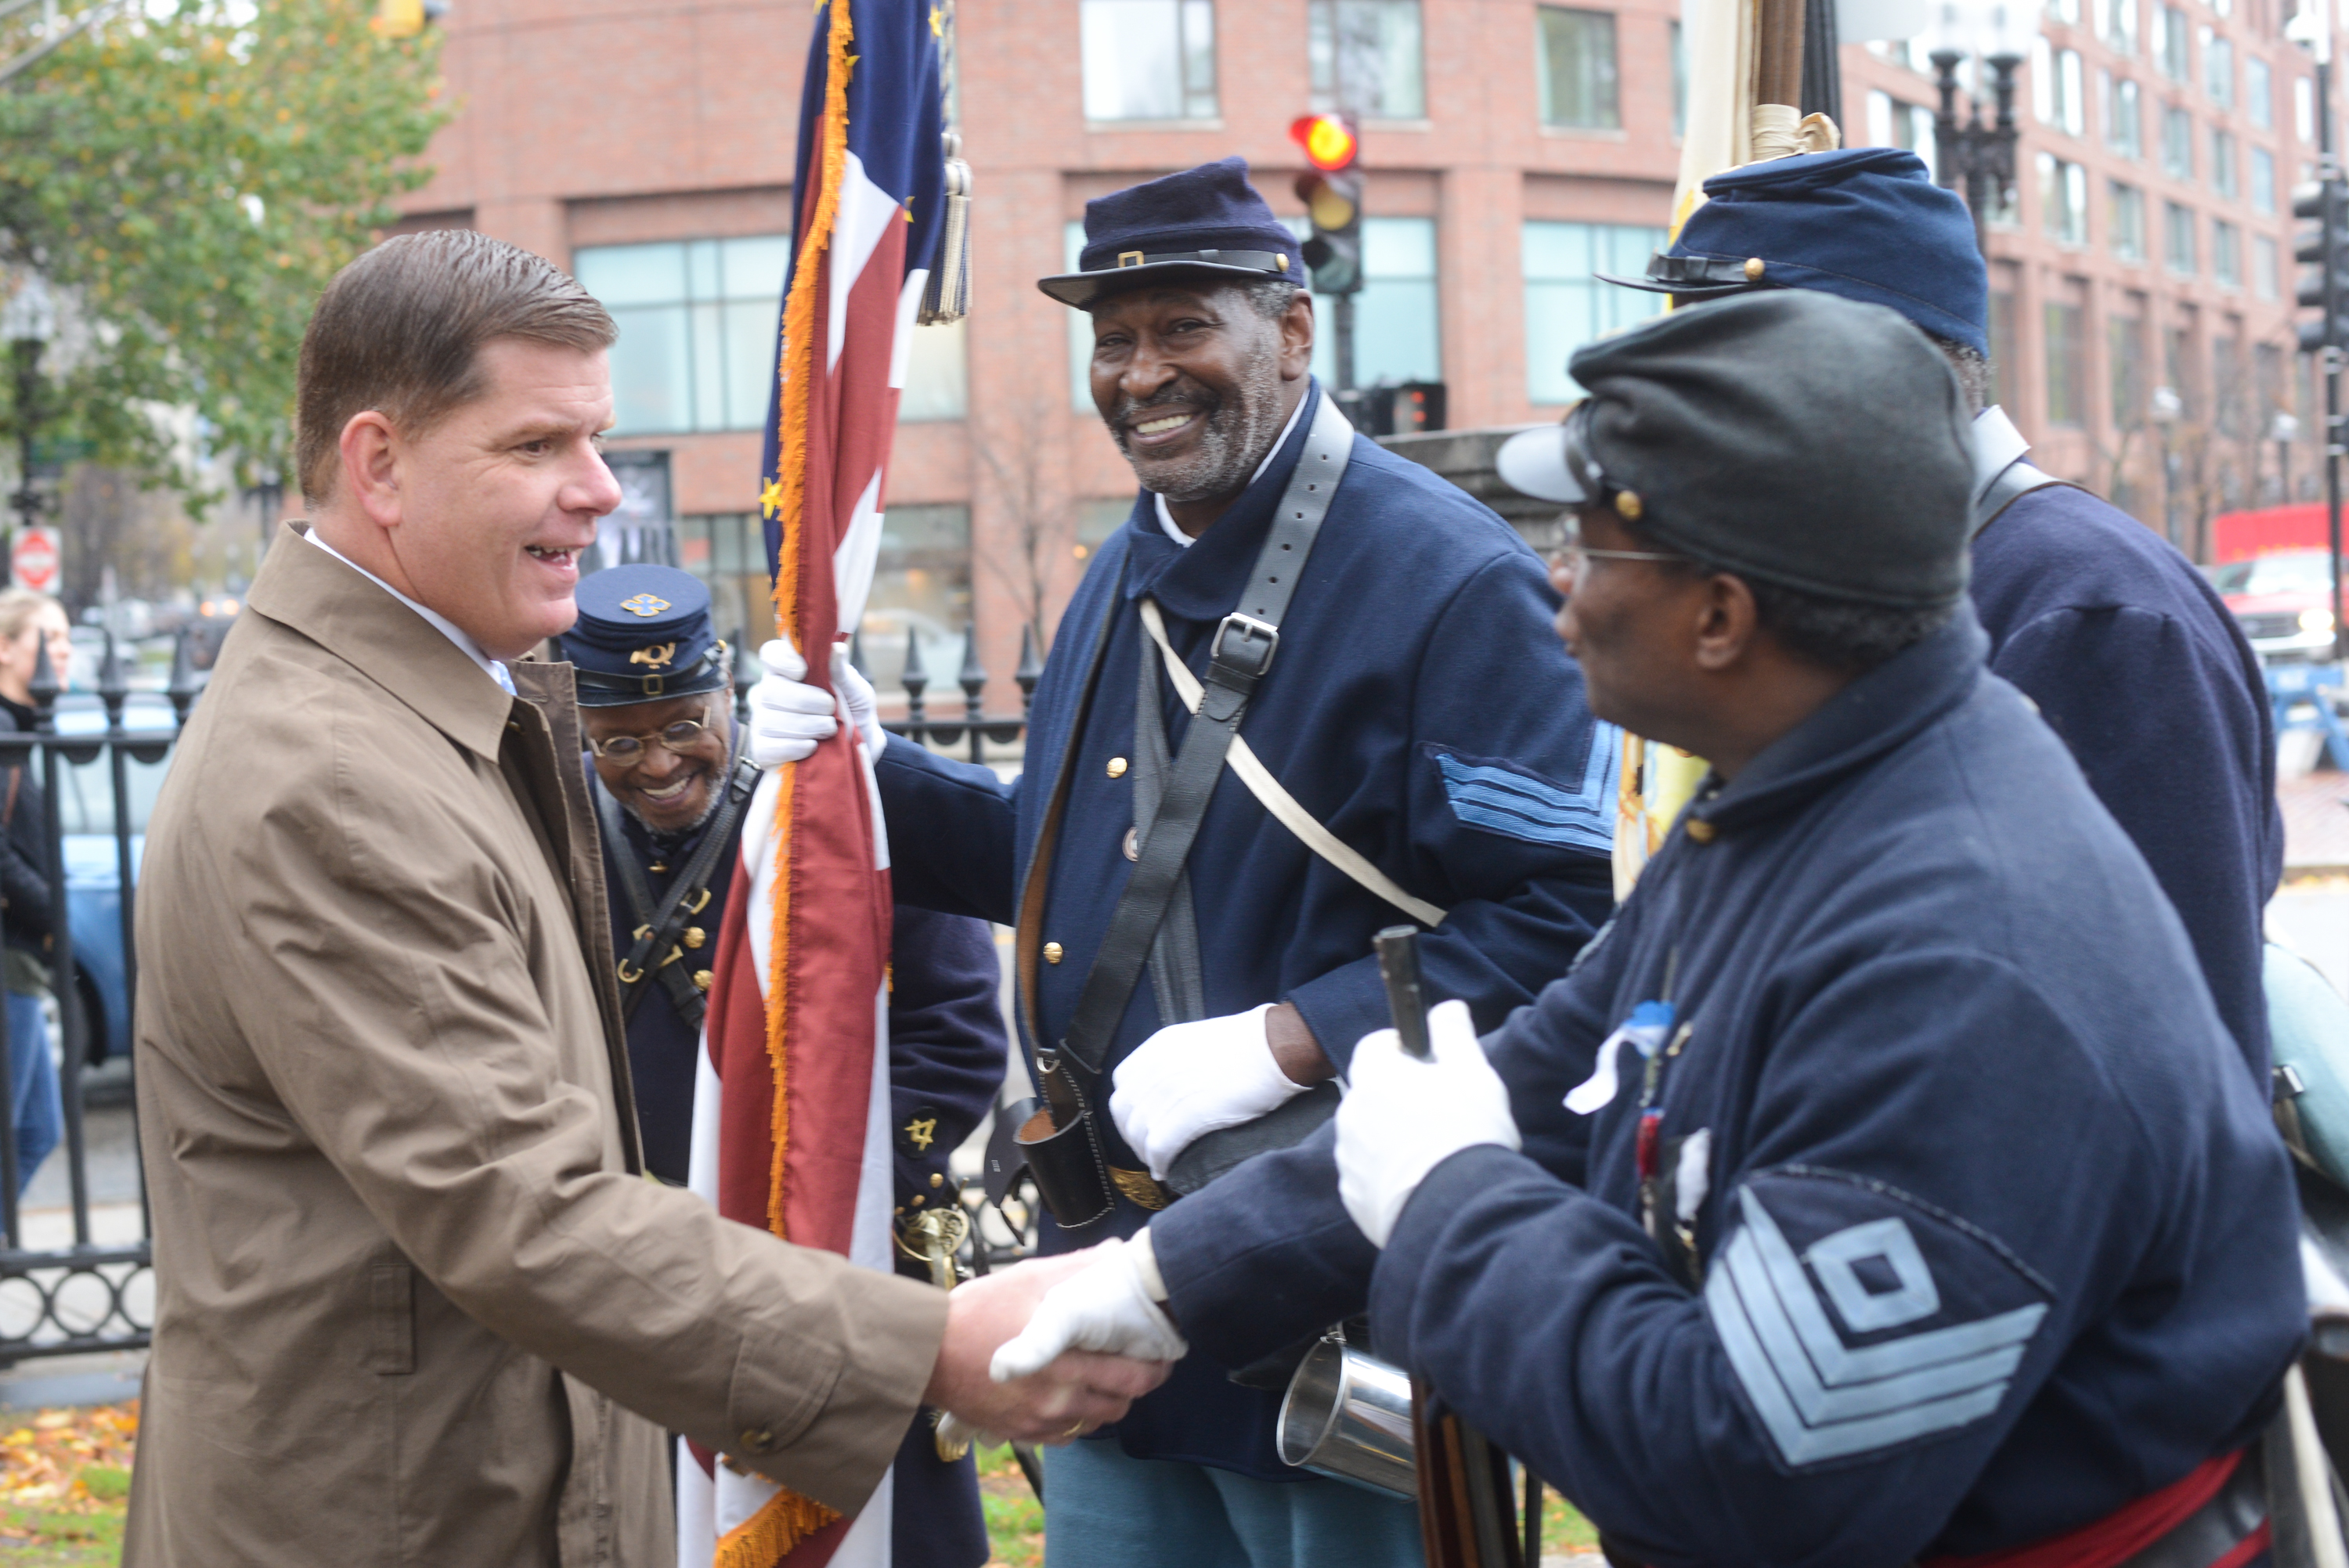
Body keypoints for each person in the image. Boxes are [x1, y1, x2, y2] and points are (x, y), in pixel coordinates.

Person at [1001, 290, 2307, 1566]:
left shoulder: (1962, 957)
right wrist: (1168, 1279)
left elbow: (1755, 1471)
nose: (1556, 590)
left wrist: (1452, 1202)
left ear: (1722, 614)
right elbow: (1548, 1073)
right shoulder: (1810, 794)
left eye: (1590, 549)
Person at [123, 229, 1165, 1567]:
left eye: (598, 439)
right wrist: (930, 1345)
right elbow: (520, 1209)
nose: (601, 490)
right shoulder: (335, 777)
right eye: (537, 445)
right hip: (396, 1518)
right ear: (378, 463)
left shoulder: (452, 704)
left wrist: (861, 774)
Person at [754, 157, 1618, 1568]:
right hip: (1110, 1287)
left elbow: (1571, 922)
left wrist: (1292, 1037)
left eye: (1183, 327)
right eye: (1114, 337)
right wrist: (866, 772)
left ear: (1292, 330)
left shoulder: (1447, 578)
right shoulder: (1121, 568)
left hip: (1332, 1300)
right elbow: (1072, 879)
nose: (1142, 372)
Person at [1561, 145, 2282, 1083]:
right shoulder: (1828, 580)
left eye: (1714, 362)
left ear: (1876, 372)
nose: (1675, 400)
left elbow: (2168, 1047)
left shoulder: (2096, 610)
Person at [559, 562, 1006, 1568]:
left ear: (727, 690)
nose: (658, 763)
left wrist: (836, 1184)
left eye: (686, 725)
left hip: (831, 1245)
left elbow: (957, 1032)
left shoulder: (828, 800)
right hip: (642, 1266)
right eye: (620, 740)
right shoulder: (556, 830)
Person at [0, 589, 69, 1202]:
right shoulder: (4, 733)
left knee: (37, 1128)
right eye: (50, 638)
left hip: (21, 956)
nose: (63, 653)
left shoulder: (20, 729)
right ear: (4, 648)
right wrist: (53, 910)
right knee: (17, 1130)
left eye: (67, 639)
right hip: (8, 957)